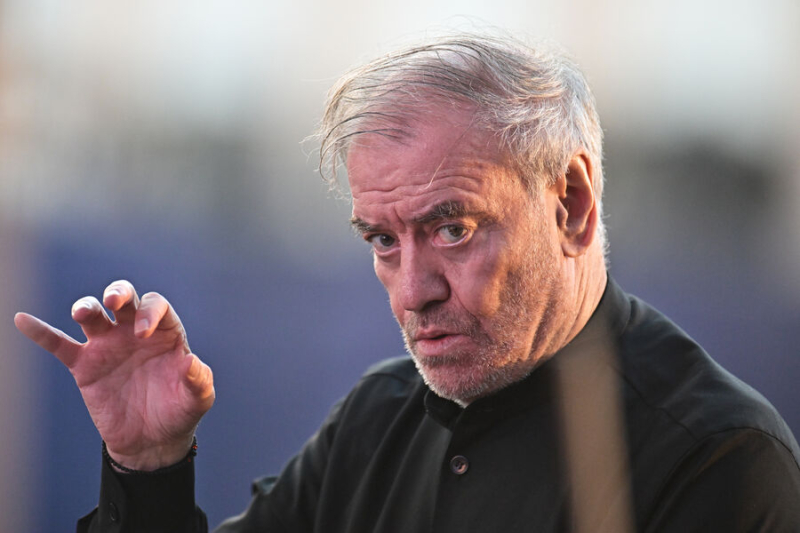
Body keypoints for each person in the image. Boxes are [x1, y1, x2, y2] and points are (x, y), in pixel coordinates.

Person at [14, 34, 800, 532]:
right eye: (383, 241)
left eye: (453, 228)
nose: (412, 291)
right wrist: (149, 465)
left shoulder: (718, 456)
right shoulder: (377, 420)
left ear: (571, 203)